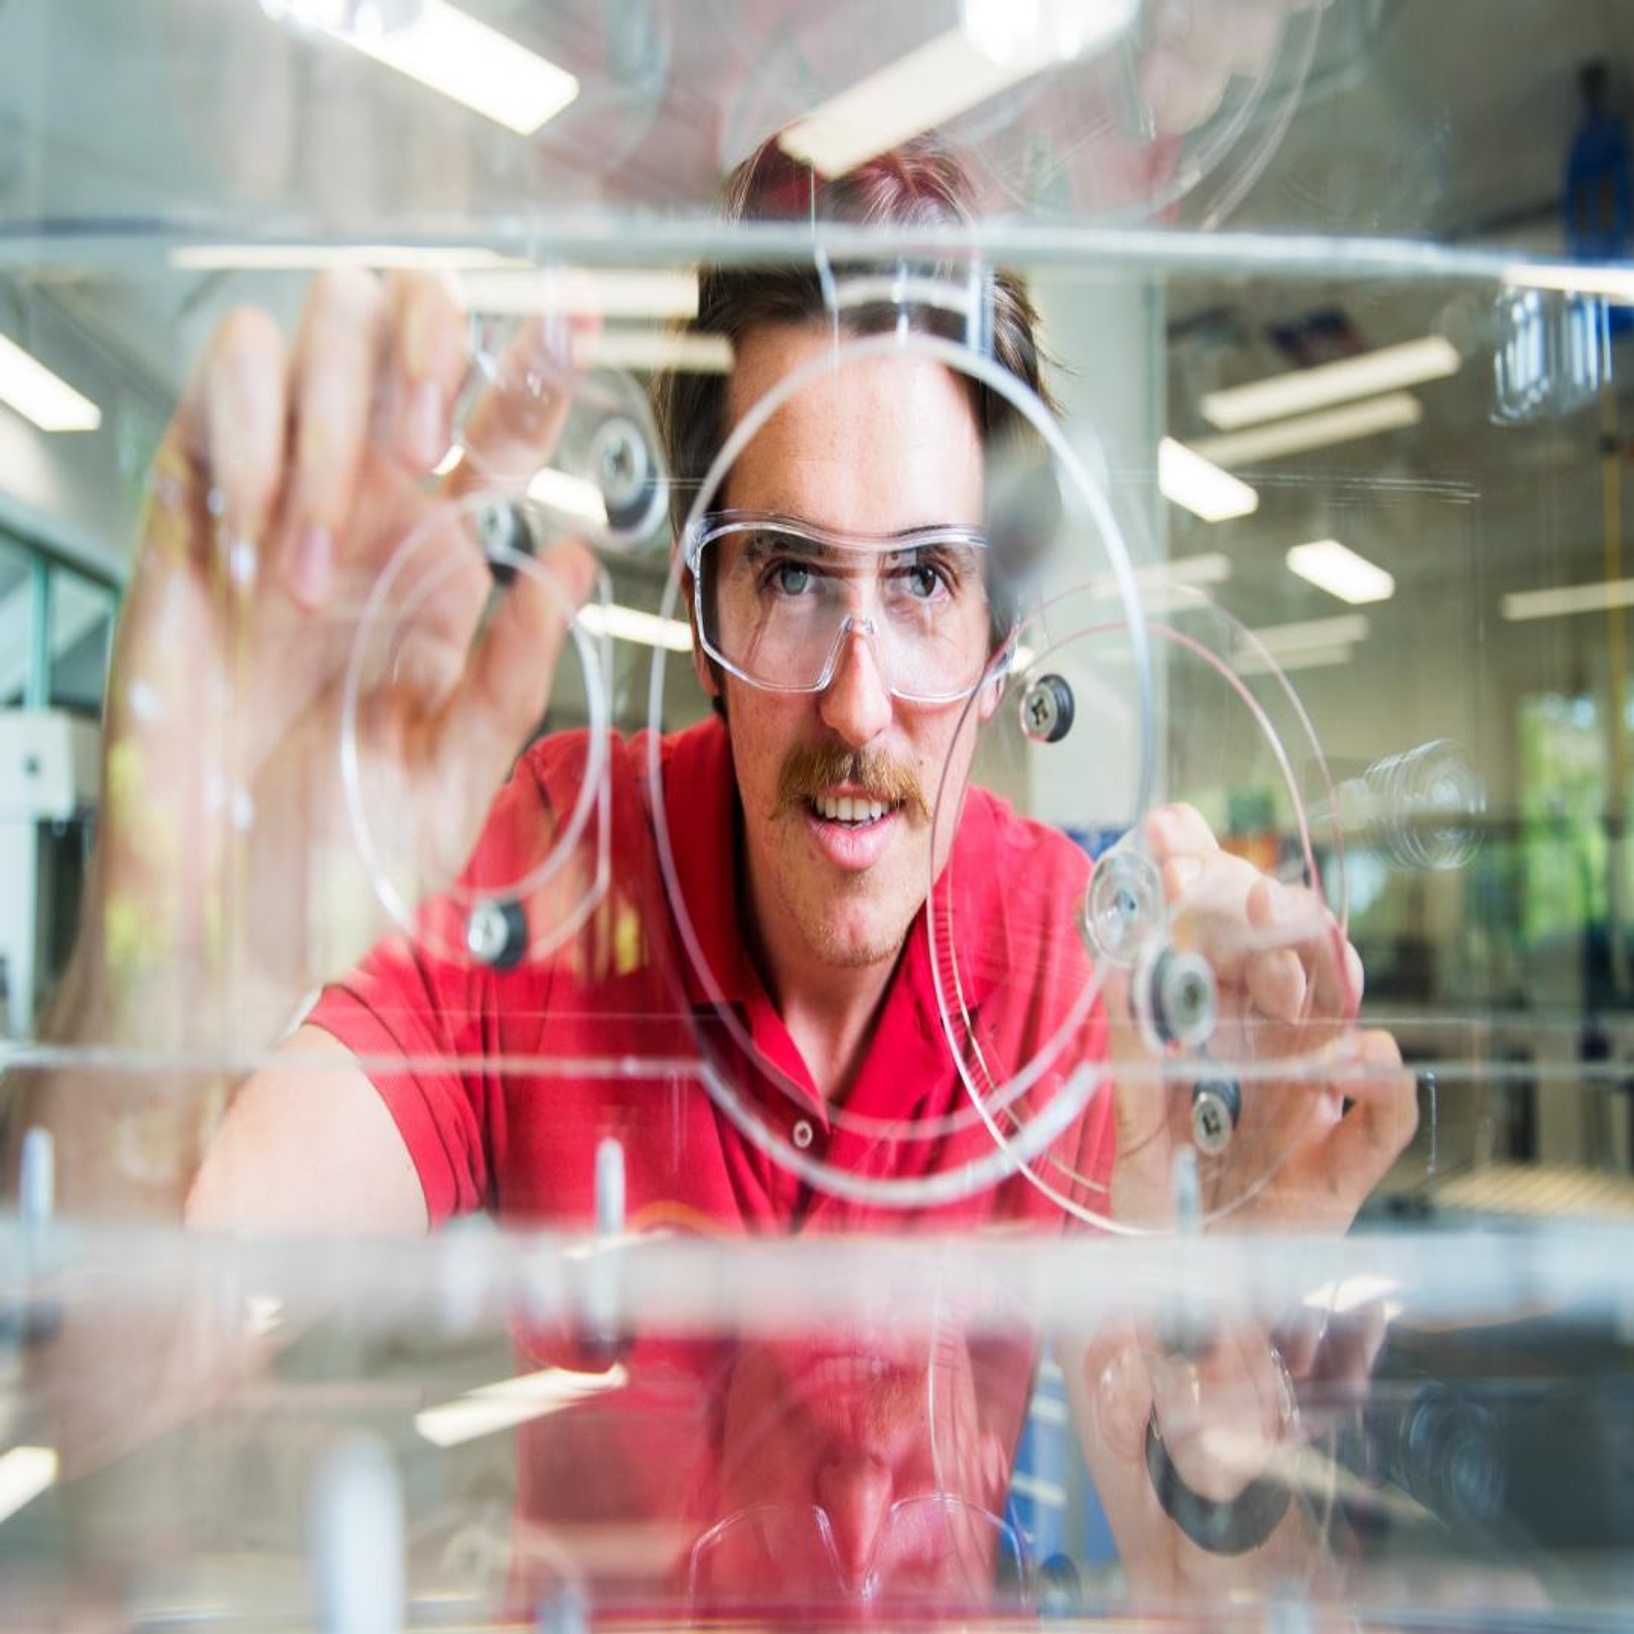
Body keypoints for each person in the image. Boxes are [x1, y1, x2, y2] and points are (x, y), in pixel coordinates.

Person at [8, 133, 1415, 1614]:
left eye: (926, 578)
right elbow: (107, 1379)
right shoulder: (553, 869)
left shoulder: (1069, 971)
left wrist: (1225, 1410)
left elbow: (1206, 1589)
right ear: (698, 610)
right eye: (791, 576)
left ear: (1004, 643)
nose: (859, 703)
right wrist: (174, 927)